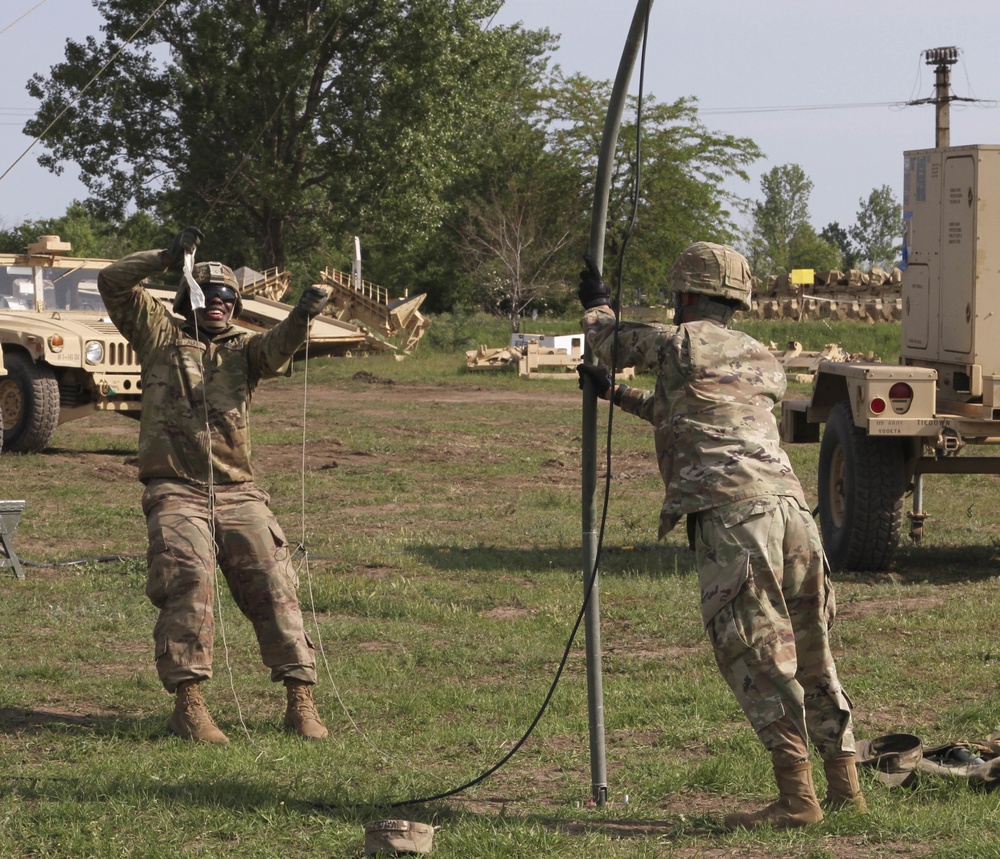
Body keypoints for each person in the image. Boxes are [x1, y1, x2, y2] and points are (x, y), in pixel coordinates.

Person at [576, 242, 864, 829]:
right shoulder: (763, 356)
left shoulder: (680, 342)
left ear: (685, 296)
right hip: (793, 514)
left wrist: (597, 305)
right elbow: (688, 413)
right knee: (812, 650)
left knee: (756, 652)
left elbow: (609, 338)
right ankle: (844, 786)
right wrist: (613, 394)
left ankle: (796, 800)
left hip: (736, 519)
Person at [98, 227, 331, 744]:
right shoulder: (158, 335)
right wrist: (165, 256)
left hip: (237, 492)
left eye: (227, 297)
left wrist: (302, 315)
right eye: (206, 296)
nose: (218, 304)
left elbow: (277, 348)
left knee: (275, 583)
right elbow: (112, 281)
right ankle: (189, 705)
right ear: (186, 302)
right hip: (175, 489)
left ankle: (300, 699)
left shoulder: (245, 351)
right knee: (189, 580)